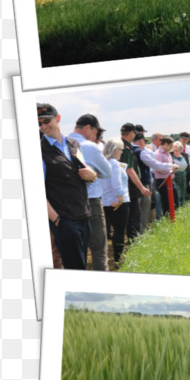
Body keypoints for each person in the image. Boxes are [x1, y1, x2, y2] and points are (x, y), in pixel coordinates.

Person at [39, 103, 98, 271]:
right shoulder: (39, 150)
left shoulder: (73, 144)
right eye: (39, 123)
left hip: (83, 215)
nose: (43, 126)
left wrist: (92, 175)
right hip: (64, 220)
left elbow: (83, 170)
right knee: (75, 268)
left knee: (81, 264)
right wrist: (56, 219)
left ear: (57, 118)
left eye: (46, 121)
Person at [67, 114, 113, 272]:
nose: (97, 136)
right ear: (88, 128)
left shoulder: (60, 144)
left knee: (75, 251)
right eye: (96, 132)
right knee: (99, 249)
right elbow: (107, 172)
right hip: (91, 201)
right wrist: (96, 173)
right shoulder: (89, 146)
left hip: (65, 203)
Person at [100, 138, 130, 267]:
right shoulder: (115, 164)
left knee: (108, 232)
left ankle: (107, 259)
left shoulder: (102, 163)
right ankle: (118, 260)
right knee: (119, 231)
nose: (122, 152)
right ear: (114, 150)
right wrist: (121, 199)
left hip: (105, 202)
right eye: (121, 149)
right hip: (118, 202)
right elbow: (117, 183)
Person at [119, 122, 150, 239]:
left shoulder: (119, 145)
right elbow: (130, 170)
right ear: (131, 133)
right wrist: (141, 187)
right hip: (130, 188)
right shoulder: (126, 148)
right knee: (134, 216)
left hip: (123, 187)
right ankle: (134, 241)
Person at [153, 137, 178, 217]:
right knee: (166, 201)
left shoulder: (167, 153)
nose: (171, 148)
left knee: (174, 200)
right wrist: (171, 169)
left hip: (170, 179)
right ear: (166, 144)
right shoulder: (158, 154)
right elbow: (158, 169)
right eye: (170, 145)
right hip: (162, 181)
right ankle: (168, 217)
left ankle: (173, 215)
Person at [171, 141, 189, 208]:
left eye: (177, 150)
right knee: (177, 191)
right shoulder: (171, 156)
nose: (175, 152)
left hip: (183, 176)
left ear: (181, 150)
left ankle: (182, 204)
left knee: (183, 190)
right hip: (175, 177)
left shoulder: (184, 156)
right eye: (174, 150)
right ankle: (177, 205)